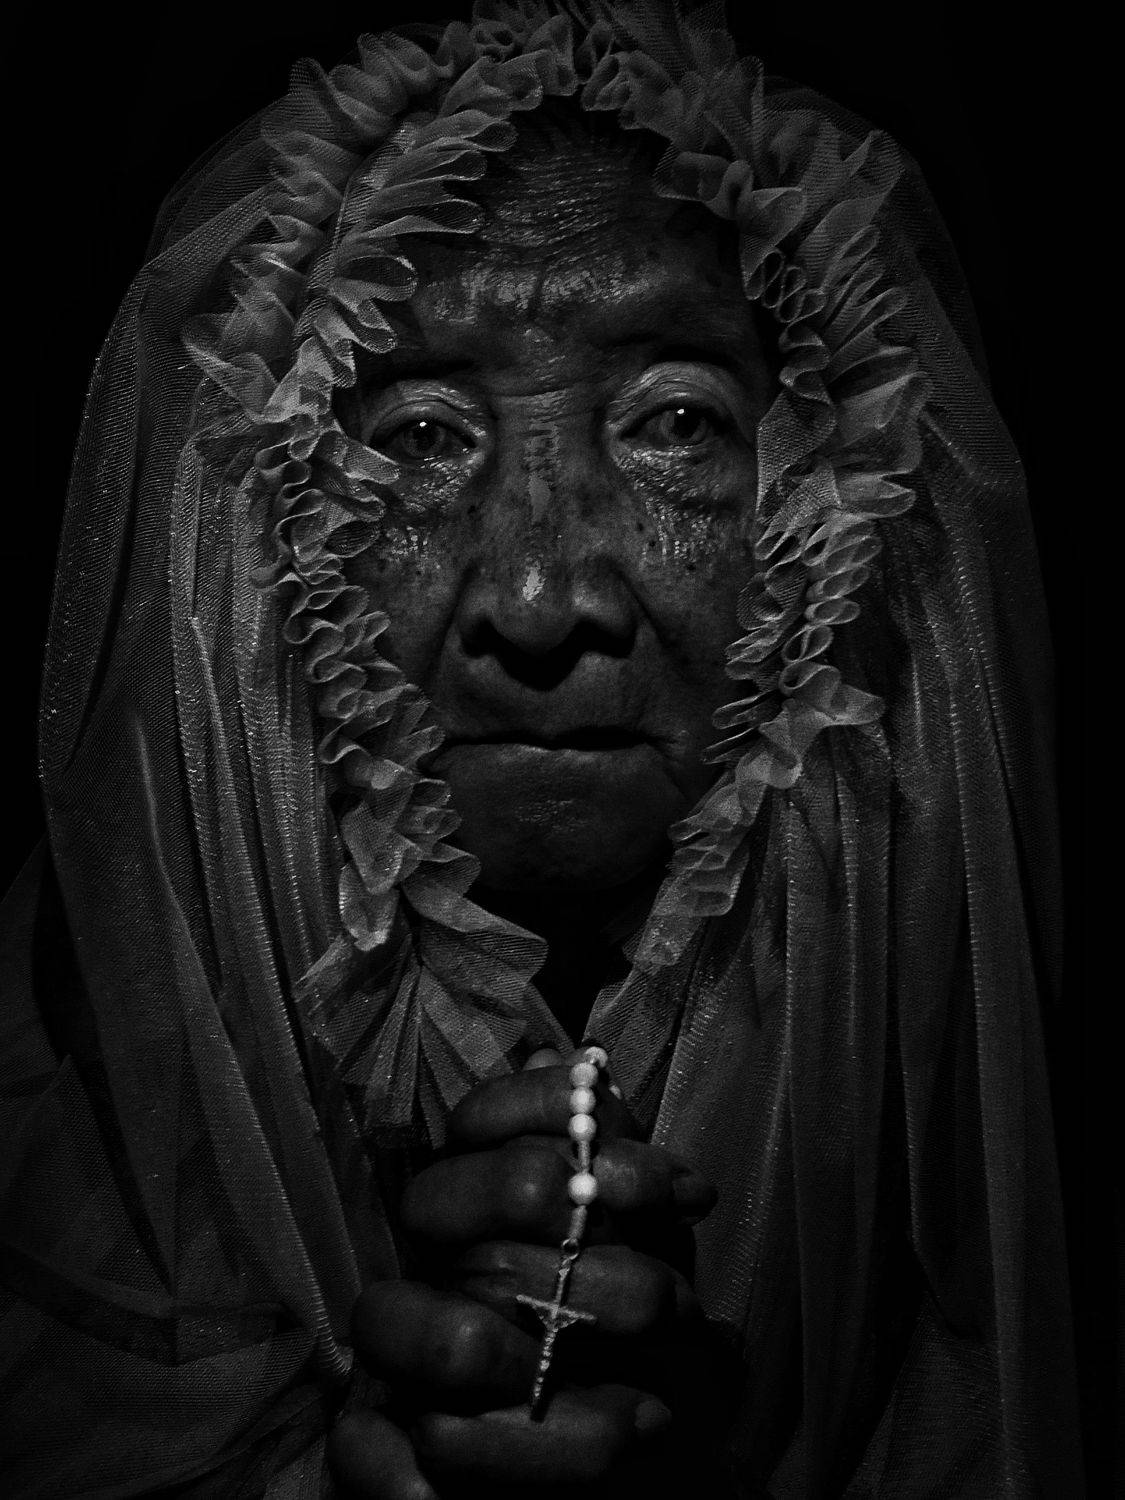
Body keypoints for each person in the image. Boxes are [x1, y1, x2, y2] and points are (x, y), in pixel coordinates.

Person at [0, 2, 1082, 1494]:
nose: (537, 595)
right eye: (418, 435)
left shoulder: (982, 1146)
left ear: (837, 499)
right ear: (252, 524)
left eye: (674, 424)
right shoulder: (59, 1124)